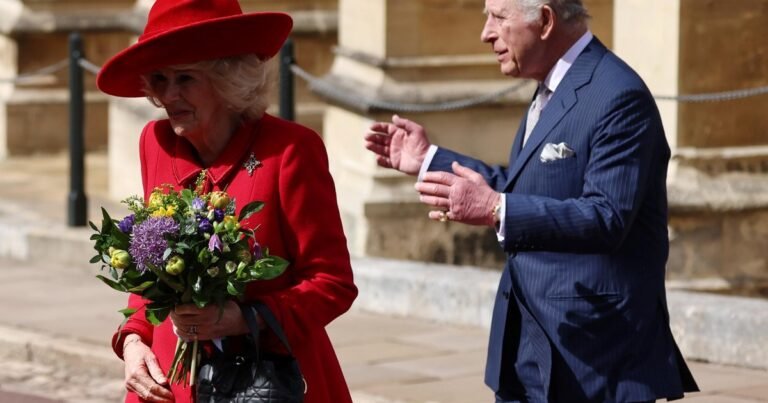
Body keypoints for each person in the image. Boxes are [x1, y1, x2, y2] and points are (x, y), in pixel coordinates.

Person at [365, 0, 699, 402]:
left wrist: (494, 209)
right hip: (531, 343)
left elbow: (607, 216)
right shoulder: (552, 85)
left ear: (544, 21)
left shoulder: (618, 96)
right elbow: (529, 189)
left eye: (499, 18)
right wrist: (429, 161)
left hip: (594, 358)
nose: (486, 33)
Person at [96, 1, 358, 402]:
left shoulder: (290, 151)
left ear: (227, 78)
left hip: (265, 382)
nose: (169, 95)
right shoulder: (155, 142)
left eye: (185, 78)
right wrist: (134, 340)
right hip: (169, 382)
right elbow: (149, 265)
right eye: (159, 79)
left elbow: (332, 283)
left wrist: (244, 318)